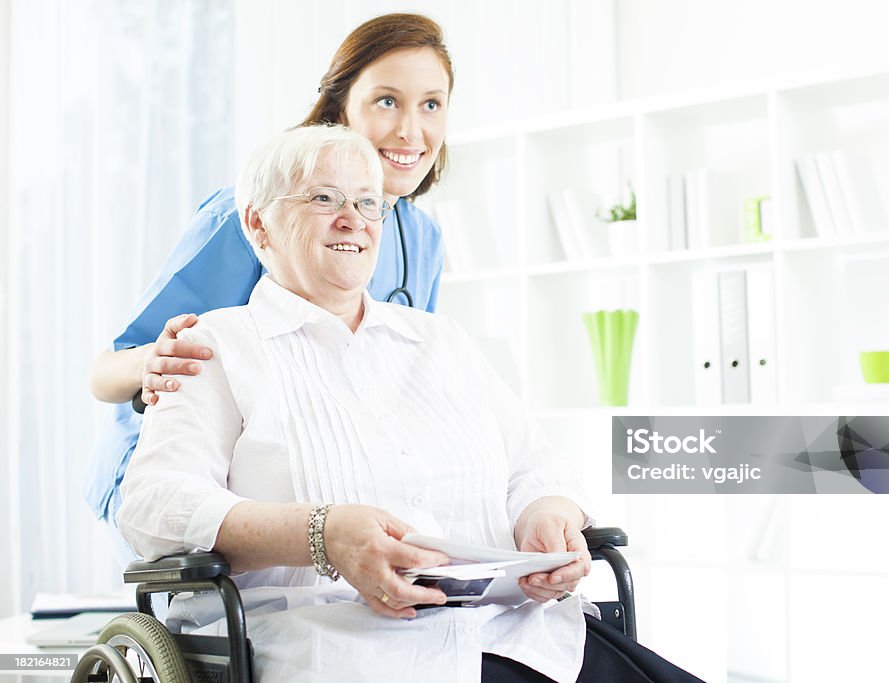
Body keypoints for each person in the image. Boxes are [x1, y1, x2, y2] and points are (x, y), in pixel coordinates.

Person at [117, 125, 704, 683]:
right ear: (257, 225)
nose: (353, 219)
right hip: (335, 642)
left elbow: (534, 464)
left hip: (513, 633)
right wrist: (320, 534)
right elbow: (152, 503)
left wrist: (546, 516)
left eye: (370, 203)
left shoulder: (440, 341)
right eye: (324, 197)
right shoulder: (213, 346)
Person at [85, 13, 454, 545]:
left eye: (431, 104)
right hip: (185, 476)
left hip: (305, 472)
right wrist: (154, 361)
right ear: (339, 109)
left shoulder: (421, 238)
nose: (410, 130)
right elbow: (105, 376)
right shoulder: (253, 214)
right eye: (387, 100)